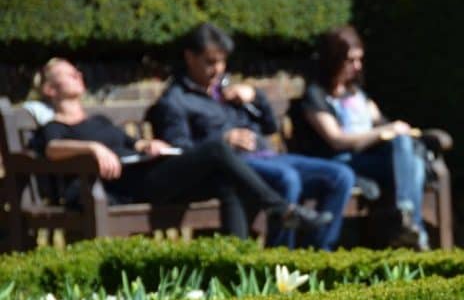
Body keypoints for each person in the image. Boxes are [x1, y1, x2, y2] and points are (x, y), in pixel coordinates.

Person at [29, 58, 331, 240]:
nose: (78, 76)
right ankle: (279, 208)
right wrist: (93, 148)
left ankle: (235, 264)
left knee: (226, 180)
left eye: (78, 72)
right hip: (124, 186)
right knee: (216, 149)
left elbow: (133, 143)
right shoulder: (56, 126)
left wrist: (149, 144)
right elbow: (53, 149)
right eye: (69, 74)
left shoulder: (100, 119)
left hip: (150, 174)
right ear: (50, 90)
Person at [149, 23, 357, 251]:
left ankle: (320, 254)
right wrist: (225, 139)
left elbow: (269, 127)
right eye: (210, 62)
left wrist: (255, 96)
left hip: (269, 155)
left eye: (222, 61)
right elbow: (183, 153)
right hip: (237, 166)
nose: (218, 69)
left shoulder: (226, 90)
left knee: (341, 176)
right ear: (190, 57)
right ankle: (281, 259)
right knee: (287, 178)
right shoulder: (175, 101)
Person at [298, 25, 429, 250]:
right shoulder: (316, 96)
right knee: (412, 161)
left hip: (372, 160)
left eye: (359, 60)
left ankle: (407, 222)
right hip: (342, 161)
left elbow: (380, 122)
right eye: (350, 60)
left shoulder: (358, 94)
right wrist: (382, 132)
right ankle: (412, 227)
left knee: (409, 151)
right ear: (333, 59)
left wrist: (397, 130)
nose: (357, 67)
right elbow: (336, 140)